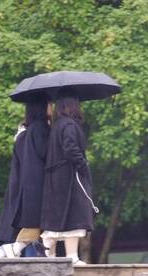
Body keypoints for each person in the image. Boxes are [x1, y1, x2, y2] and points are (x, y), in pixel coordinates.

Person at [41, 88, 98, 265]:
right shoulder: (70, 125)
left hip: (55, 176)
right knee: (75, 215)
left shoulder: (57, 125)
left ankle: (49, 257)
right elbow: (70, 148)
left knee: (57, 217)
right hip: (69, 176)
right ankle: (72, 256)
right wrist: (82, 164)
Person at [0, 100, 51, 258]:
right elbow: (46, 154)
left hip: (24, 186)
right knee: (39, 224)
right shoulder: (40, 128)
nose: (52, 107)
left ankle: (14, 250)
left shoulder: (24, 132)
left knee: (36, 226)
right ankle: (12, 248)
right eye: (49, 104)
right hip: (38, 185)